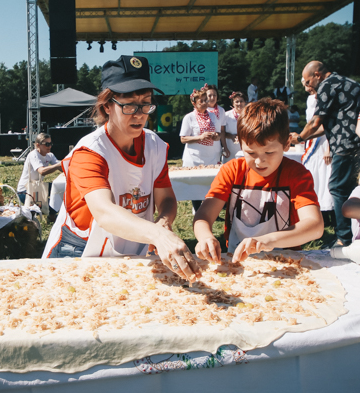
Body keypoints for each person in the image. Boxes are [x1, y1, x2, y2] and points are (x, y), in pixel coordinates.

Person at [42, 55, 199, 282]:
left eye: (146, 103)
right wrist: (157, 235)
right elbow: (105, 213)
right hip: (80, 252)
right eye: (129, 106)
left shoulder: (153, 145)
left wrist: (164, 223)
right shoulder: (90, 152)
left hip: (129, 252)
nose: (139, 114)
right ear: (107, 105)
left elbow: (166, 199)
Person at [193, 98, 323, 263]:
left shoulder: (296, 174)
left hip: (285, 260)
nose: (260, 162)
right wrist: (205, 237)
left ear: (286, 143)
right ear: (240, 144)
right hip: (236, 259)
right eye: (251, 153)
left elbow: (315, 225)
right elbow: (204, 215)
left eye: (269, 153)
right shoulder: (232, 170)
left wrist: (267, 241)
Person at [290, 61, 360, 247]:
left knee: (338, 189)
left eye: (308, 82)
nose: (307, 87)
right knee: (350, 190)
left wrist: (299, 138)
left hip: (343, 145)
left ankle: (344, 237)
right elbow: (328, 126)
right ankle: (354, 232)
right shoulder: (352, 84)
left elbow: (316, 122)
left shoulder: (327, 85)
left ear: (317, 75)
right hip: (358, 144)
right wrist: (302, 138)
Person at [180, 86, 223, 211]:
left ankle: (208, 212)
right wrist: (200, 137)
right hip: (194, 157)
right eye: (202, 101)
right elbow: (183, 139)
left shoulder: (213, 116)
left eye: (206, 100)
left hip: (210, 156)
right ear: (194, 103)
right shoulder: (189, 117)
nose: (205, 103)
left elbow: (219, 133)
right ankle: (197, 212)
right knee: (196, 185)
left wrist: (216, 136)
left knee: (210, 184)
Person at [300, 80, 334, 219]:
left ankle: (328, 210)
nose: (306, 88)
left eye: (308, 84)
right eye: (304, 85)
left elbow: (329, 125)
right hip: (312, 141)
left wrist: (329, 148)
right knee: (314, 174)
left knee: (325, 174)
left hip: (324, 141)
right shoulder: (309, 100)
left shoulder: (326, 98)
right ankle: (316, 208)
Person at [17, 133, 62, 205]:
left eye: (51, 144)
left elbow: (62, 167)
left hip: (37, 187)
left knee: (60, 188)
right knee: (50, 206)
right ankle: (50, 213)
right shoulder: (33, 155)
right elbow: (42, 171)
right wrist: (58, 165)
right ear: (38, 145)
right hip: (25, 191)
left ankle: (52, 214)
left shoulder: (50, 155)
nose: (49, 146)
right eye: (47, 144)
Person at [205, 84, 230, 159]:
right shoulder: (202, 109)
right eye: (210, 95)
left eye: (214, 95)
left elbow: (222, 131)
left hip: (215, 146)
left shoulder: (221, 110)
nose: (212, 98)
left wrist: (225, 147)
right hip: (202, 144)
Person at [224, 91, 246, 159]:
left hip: (245, 148)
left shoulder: (249, 115)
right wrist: (231, 136)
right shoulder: (226, 115)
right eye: (237, 101)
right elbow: (221, 132)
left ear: (245, 102)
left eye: (241, 101)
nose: (239, 103)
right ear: (233, 103)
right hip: (230, 149)